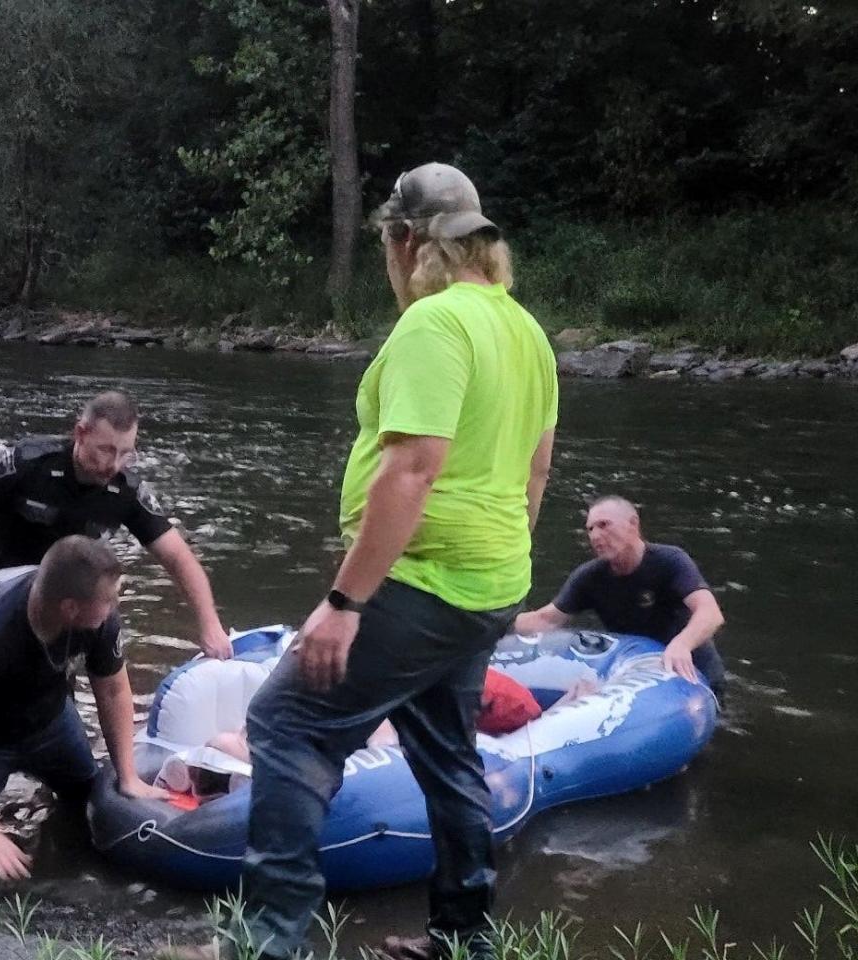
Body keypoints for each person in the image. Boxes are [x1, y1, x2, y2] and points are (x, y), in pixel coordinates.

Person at [232, 163, 559, 960]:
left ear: (406, 241)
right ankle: (463, 938)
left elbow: (412, 467)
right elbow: (537, 469)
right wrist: (501, 566)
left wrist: (345, 604)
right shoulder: (526, 331)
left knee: (288, 723)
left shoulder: (435, 325)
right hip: (488, 584)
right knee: (448, 756)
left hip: (423, 583)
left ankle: (266, 944)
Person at [0, 536, 168, 880]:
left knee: (85, 794)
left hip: (44, 716)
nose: (114, 605)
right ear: (70, 608)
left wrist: (129, 775)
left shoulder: (98, 618)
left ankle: (59, 858)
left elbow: (112, 689)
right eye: (108, 599)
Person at [0, 390, 230, 658]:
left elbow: (178, 557)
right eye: (104, 450)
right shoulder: (30, 463)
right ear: (80, 433)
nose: (112, 464)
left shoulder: (126, 492)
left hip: (55, 603)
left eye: (124, 453)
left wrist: (209, 624)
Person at [514, 496, 726, 692]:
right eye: (590, 529)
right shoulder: (590, 576)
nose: (595, 536)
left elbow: (711, 613)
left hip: (692, 672)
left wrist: (682, 644)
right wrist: (491, 623)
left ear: (633, 524)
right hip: (634, 670)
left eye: (604, 525)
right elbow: (545, 620)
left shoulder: (669, 561)